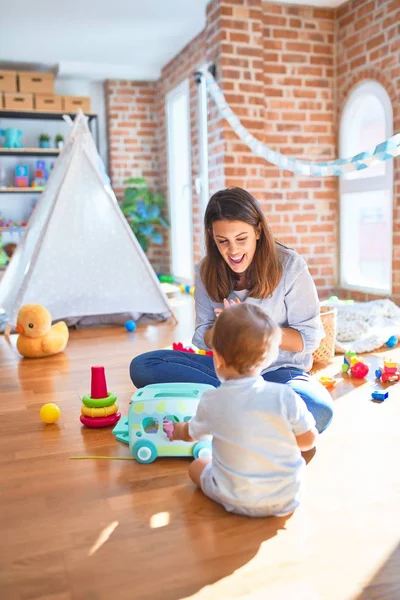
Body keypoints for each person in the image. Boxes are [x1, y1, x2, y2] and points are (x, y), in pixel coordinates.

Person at [130, 187, 334, 433]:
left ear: (258, 230)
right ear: (211, 236)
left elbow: (309, 340)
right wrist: (225, 330)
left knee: (319, 409)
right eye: (222, 241)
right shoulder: (206, 270)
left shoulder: (290, 266)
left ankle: (221, 414)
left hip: (279, 374)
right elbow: (203, 336)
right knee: (144, 366)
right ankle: (251, 419)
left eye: (241, 239)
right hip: (226, 374)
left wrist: (254, 328)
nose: (233, 251)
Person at [164, 303, 318, 517]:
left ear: (217, 358)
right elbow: (308, 440)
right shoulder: (285, 396)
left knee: (197, 466)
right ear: (269, 357)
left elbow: (190, 434)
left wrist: (176, 430)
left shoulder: (212, 399)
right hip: (287, 497)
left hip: (234, 498)